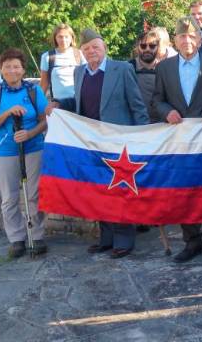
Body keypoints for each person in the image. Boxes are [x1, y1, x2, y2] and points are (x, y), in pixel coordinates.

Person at [48, 28, 149, 259]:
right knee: (99, 191)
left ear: (104, 47)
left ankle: (124, 240)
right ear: (81, 52)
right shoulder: (79, 72)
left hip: (119, 143)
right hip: (92, 143)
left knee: (120, 190)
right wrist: (59, 104)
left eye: (95, 47)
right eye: (86, 49)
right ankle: (106, 239)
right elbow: (80, 101)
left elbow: (137, 105)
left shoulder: (122, 69)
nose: (91, 51)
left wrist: (142, 138)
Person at [152, 17, 202, 266]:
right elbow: (156, 100)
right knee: (184, 193)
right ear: (175, 40)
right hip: (179, 143)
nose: (187, 40)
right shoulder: (164, 69)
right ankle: (192, 242)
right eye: (182, 36)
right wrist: (166, 111)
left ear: (199, 39)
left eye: (191, 36)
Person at [0, 48, 48, 258]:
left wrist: (30, 133)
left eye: (16, 66)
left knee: (34, 194)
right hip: (4, 150)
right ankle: (17, 238)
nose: (12, 70)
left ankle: (36, 235)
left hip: (33, 147)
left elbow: (45, 120)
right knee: (9, 197)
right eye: (7, 66)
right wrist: (7, 113)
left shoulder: (34, 91)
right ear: (1, 69)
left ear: (23, 69)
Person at [39, 23, 84, 100]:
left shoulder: (80, 54)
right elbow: (44, 84)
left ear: (71, 38)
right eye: (60, 37)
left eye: (66, 37)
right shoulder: (47, 57)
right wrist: (37, 105)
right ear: (55, 38)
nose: (63, 40)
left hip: (79, 103)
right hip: (58, 104)